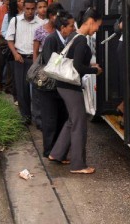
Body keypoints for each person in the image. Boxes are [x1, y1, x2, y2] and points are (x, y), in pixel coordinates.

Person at [49, 8, 103, 175]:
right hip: (71, 86)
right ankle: (78, 164)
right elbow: (78, 66)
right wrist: (95, 71)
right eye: (98, 25)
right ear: (91, 21)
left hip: (63, 84)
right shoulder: (81, 41)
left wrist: (90, 66)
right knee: (79, 124)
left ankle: (56, 153)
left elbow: (75, 61)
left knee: (72, 121)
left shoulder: (74, 36)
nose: (97, 29)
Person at [38, 8, 74, 158]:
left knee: (61, 119)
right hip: (49, 88)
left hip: (61, 87)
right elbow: (49, 63)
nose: (73, 28)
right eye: (71, 26)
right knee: (50, 120)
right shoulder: (52, 39)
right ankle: (49, 151)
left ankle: (58, 151)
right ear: (63, 28)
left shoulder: (68, 39)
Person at [6, 0, 46, 126]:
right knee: (22, 90)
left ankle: (38, 118)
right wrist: (15, 54)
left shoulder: (40, 24)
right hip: (20, 59)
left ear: (35, 9)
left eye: (32, 9)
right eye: (27, 9)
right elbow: (9, 39)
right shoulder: (15, 21)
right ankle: (25, 117)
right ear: (23, 8)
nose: (30, 11)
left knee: (37, 89)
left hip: (36, 59)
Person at [30, 2, 62, 129]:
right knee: (39, 94)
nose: (57, 18)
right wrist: (36, 69)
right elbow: (35, 51)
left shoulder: (61, 30)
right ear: (50, 16)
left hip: (58, 67)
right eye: (55, 15)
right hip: (43, 66)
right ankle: (39, 121)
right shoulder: (40, 30)